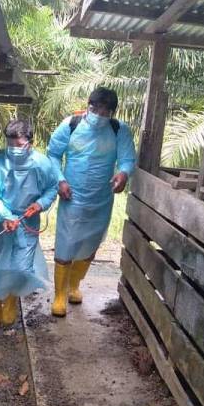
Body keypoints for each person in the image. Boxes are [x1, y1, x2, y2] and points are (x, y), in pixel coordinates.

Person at [47, 87, 136, 316]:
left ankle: (74, 285)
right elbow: (53, 155)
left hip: (101, 199)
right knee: (66, 242)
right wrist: (60, 180)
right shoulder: (71, 124)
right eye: (96, 109)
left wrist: (123, 174)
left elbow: (126, 158)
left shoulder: (119, 130)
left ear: (112, 113)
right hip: (72, 197)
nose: (100, 114)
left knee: (90, 244)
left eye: (106, 111)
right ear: (89, 106)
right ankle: (59, 296)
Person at [0, 120, 58, 332]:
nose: (14, 150)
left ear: (31, 142)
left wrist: (40, 204)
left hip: (26, 221)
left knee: (20, 266)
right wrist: (4, 215)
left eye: (19, 145)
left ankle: (11, 303)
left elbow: (52, 188)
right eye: (10, 144)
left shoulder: (42, 164)